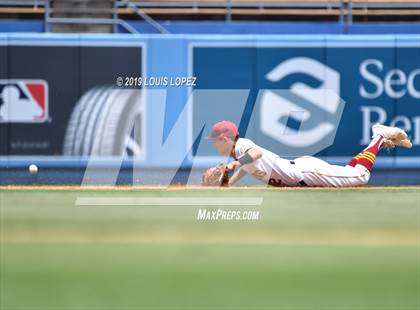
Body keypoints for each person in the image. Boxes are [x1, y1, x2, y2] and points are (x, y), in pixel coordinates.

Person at [209, 121, 412, 187]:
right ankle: (380, 141)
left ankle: (378, 137)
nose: (214, 145)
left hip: (307, 173)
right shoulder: (239, 154)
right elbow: (247, 167)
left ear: (225, 139)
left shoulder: (243, 145)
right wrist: (229, 182)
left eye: (215, 141)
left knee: (360, 176)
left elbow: (256, 153)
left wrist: (230, 166)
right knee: (350, 171)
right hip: (302, 170)